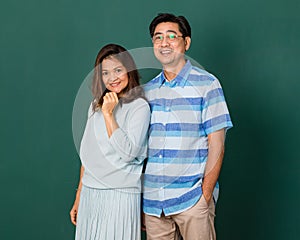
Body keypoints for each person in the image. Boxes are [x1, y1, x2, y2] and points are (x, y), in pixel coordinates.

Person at [142, 13, 233, 240]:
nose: (164, 43)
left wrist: (206, 193)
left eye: (172, 36)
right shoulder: (147, 91)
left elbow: (217, 144)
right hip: (154, 206)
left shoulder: (207, 84)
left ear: (186, 42)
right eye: (158, 37)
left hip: (192, 200)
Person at [70, 43, 150, 240]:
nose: (112, 78)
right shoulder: (95, 106)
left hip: (121, 195)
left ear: (129, 71)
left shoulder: (139, 107)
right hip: (91, 192)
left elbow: (129, 153)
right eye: (105, 73)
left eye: (118, 70)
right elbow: (87, 156)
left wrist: (109, 116)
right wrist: (79, 195)